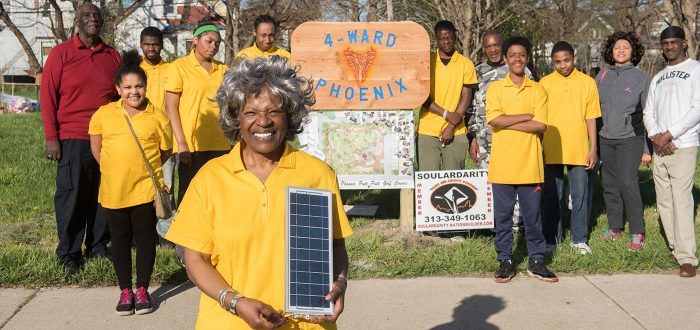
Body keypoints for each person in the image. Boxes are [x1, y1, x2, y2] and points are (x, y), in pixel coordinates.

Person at [165, 56, 353, 329]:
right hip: (228, 323)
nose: (262, 122)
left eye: (274, 111)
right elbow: (195, 258)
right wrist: (234, 301)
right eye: (251, 112)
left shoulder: (318, 174)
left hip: (306, 323)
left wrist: (340, 282)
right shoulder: (210, 177)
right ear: (236, 118)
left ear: (289, 116)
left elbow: (335, 244)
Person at [89, 50, 172, 315]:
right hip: (114, 190)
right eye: (127, 87)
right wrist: (115, 170)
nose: (134, 92)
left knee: (146, 239)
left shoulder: (158, 117)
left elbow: (165, 151)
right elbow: (97, 149)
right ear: (118, 89)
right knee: (121, 240)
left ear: (146, 88)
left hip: (146, 190)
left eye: (139, 86)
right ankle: (125, 290)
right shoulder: (103, 114)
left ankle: (143, 289)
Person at [40, 2, 119, 275]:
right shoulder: (61, 53)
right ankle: (69, 253)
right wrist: (52, 137)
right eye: (86, 15)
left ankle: (97, 245)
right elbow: (47, 96)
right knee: (71, 196)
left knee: (103, 195)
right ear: (76, 21)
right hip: (73, 136)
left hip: (107, 139)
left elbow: (120, 97)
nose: (92, 19)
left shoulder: (112, 55)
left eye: (97, 15)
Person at [486, 36, 557, 283]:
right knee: (503, 218)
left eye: (522, 55)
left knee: (533, 217)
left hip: (530, 165)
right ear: (505, 59)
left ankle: (536, 261)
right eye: (512, 55)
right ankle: (505, 260)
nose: (517, 59)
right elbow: (495, 120)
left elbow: (541, 124)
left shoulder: (538, 89)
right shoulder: (495, 88)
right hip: (502, 165)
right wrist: (525, 116)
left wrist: (510, 119)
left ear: (527, 58)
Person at [644, 26, 700, 278]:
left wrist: (670, 134)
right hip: (661, 147)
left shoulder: (696, 70)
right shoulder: (658, 77)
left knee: (682, 199)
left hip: (683, 144)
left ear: (684, 43)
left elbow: (696, 110)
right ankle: (674, 247)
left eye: (674, 42)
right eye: (665, 43)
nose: (669, 46)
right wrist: (657, 137)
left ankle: (688, 258)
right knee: (664, 200)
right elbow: (648, 112)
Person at [540, 41, 601, 255]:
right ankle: (551, 239)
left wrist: (592, 148)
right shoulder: (544, 83)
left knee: (580, 195)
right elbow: (540, 119)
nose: (562, 65)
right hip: (552, 148)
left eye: (566, 60)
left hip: (579, 149)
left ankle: (579, 239)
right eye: (557, 62)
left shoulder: (587, 82)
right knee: (551, 196)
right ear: (552, 62)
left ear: (573, 58)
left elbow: (591, 117)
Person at [468, 30, 532, 231]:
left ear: (502, 46)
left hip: (514, 138)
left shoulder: (521, 69)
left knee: (516, 178)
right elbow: (471, 108)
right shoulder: (477, 72)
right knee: (488, 181)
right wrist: (473, 137)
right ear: (483, 48)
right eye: (488, 46)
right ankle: (491, 224)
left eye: (496, 45)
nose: (493, 49)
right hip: (485, 139)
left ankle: (516, 223)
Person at [596, 31, 651, 250]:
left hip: (630, 139)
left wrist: (647, 149)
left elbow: (648, 115)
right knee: (609, 184)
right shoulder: (601, 75)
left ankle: (637, 232)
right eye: (617, 47)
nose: (620, 51)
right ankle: (615, 227)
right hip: (604, 138)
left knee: (628, 183)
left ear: (633, 52)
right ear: (611, 51)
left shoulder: (642, 79)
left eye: (625, 48)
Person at [164, 22, 230, 205]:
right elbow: (171, 107)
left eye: (217, 43)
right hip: (192, 146)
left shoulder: (223, 70)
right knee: (189, 198)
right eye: (209, 41)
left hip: (220, 144)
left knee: (217, 197)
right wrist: (182, 143)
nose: (213, 46)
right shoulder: (179, 66)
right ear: (195, 40)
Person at [417, 20, 478, 171]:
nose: (446, 41)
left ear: (455, 37)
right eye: (442, 38)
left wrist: (451, 126)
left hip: (456, 130)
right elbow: (422, 96)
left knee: (454, 180)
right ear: (436, 39)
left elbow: (466, 97)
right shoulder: (426, 61)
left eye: (449, 37)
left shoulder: (466, 64)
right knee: (428, 181)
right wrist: (445, 114)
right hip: (427, 130)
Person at [139, 26, 174, 204]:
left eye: (155, 44)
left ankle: (165, 228)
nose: (151, 48)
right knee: (142, 183)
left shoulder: (172, 69)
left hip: (166, 136)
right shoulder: (134, 70)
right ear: (140, 45)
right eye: (147, 44)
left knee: (166, 184)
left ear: (161, 45)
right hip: (141, 134)